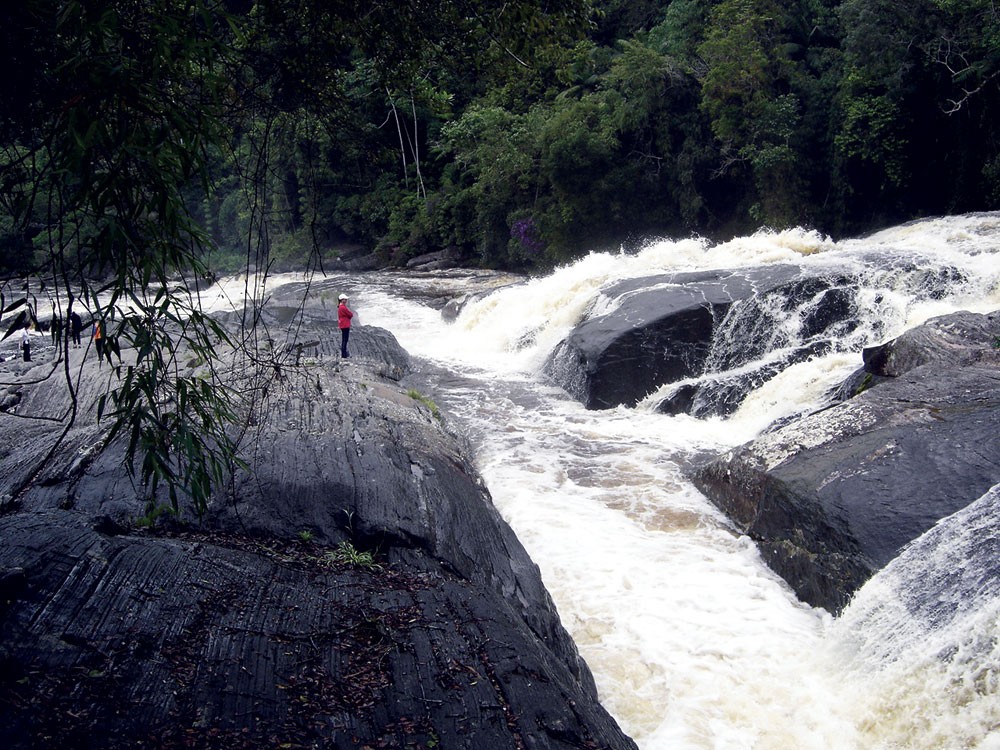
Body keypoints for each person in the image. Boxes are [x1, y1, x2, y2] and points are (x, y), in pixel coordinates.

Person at [337, 294, 353, 358]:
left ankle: (344, 353)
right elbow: (350, 314)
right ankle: (344, 354)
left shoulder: (340, 307)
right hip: (345, 325)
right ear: (342, 300)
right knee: (345, 340)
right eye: (345, 299)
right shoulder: (343, 307)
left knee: (344, 339)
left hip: (342, 324)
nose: (346, 300)